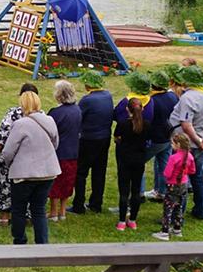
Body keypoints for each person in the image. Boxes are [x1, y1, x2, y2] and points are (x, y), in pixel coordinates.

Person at [0, 89, 59, 245]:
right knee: (39, 209)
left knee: (18, 209)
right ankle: (42, 243)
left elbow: (8, 151)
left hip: (24, 174)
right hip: (47, 173)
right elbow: (55, 144)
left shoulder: (20, 124)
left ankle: (19, 241)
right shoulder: (50, 120)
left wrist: (10, 164)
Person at [168, 65, 203, 221]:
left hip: (186, 143)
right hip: (201, 139)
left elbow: (186, 124)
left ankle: (177, 213)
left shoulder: (188, 98)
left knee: (180, 178)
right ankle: (200, 210)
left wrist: (199, 141)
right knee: (198, 178)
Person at [72, 73, 113, 214]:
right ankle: (96, 204)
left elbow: (77, 116)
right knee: (99, 171)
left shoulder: (87, 100)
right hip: (105, 138)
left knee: (81, 172)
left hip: (88, 139)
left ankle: (78, 205)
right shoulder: (108, 95)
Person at [47, 81, 81, 223]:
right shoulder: (77, 110)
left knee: (55, 182)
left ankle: (53, 212)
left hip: (58, 152)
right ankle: (62, 211)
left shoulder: (56, 113)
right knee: (68, 181)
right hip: (73, 151)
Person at [142, 71, 178, 200]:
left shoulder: (151, 101)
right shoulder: (173, 96)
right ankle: (162, 192)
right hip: (168, 136)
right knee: (164, 164)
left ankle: (139, 193)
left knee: (139, 163)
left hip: (154, 138)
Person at [113, 97, 148, 231]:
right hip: (139, 160)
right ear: (142, 109)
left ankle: (122, 221)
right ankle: (133, 220)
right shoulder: (146, 124)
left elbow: (116, 138)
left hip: (125, 159)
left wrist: (121, 142)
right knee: (136, 190)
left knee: (123, 191)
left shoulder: (122, 124)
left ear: (127, 109)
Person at [153, 133, 195, 240]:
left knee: (168, 208)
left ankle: (164, 232)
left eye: (172, 143)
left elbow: (167, 173)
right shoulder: (190, 156)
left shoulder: (174, 158)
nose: (171, 145)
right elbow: (192, 170)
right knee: (179, 207)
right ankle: (177, 229)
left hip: (173, 184)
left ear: (178, 145)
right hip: (184, 184)